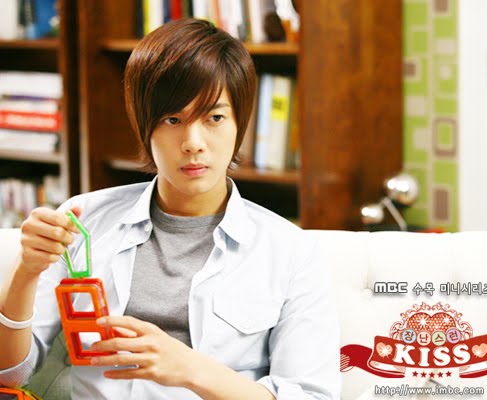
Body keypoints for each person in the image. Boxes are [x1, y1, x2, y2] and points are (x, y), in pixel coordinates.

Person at [0, 18, 340, 399]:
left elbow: (312, 396)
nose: (193, 142)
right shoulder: (83, 221)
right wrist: (27, 270)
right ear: (145, 126)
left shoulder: (292, 252)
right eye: (173, 119)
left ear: (239, 124)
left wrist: (192, 371)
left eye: (214, 118)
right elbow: (10, 372)